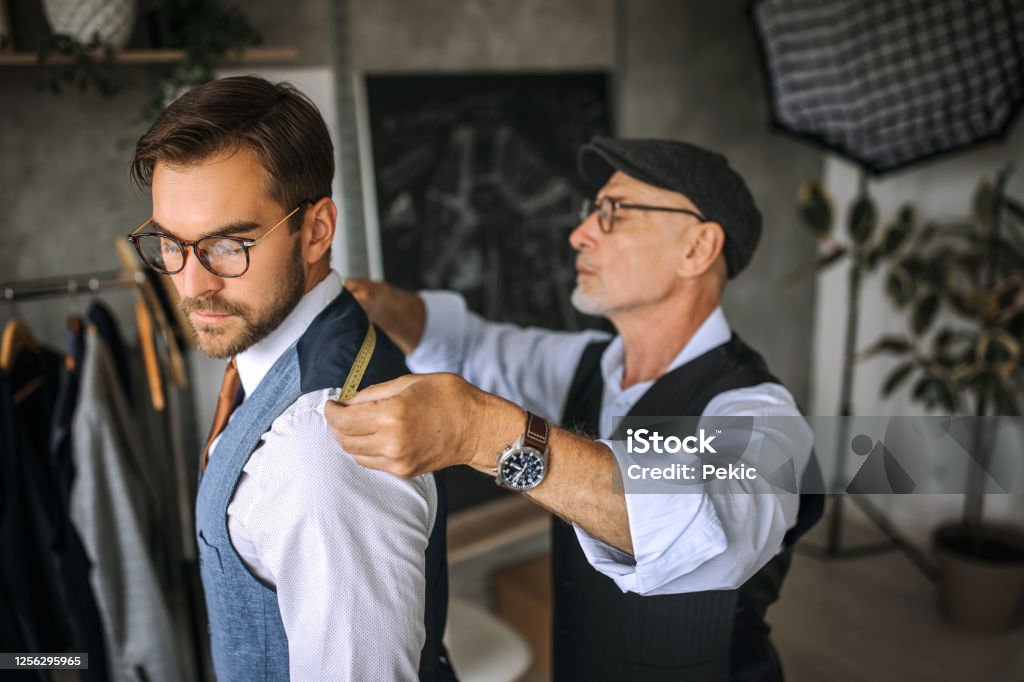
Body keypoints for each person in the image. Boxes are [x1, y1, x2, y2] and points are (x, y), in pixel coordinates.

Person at [327, 137, 824, 681]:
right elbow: (473, 346)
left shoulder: (761, 413)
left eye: (614, 212)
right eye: (592, 211)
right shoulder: (585, 365)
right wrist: (382, 305)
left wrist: (482, 433)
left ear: (698, 249)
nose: (579, 234)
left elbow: (707, 515)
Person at [126, 76, 455, 682]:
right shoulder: (267, 347)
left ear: (318, 229)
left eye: (229, 245)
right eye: (171, 243)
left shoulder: (319, 455)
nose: (192, 284)